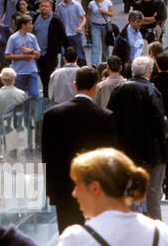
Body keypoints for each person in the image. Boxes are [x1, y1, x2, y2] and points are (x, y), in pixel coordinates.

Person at [41, 66, 119, 231]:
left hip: (63, 188)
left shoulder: (52, 115)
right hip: (96, 188)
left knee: (67, 233)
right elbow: (109, 157)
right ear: (95, 86)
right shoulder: (105, 117)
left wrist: (50, 189)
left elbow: (47, 156)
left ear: (75, 85)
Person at [105, 55, 168, 220]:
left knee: (132, 193)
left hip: (127, 152)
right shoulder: (152, 90)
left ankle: (133, 226)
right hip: (152, 152)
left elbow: (110, 118)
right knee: (154, 193)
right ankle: (156, 229)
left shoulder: (118, 90)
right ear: (149, 72)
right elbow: (160, 123)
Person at [4, 13, 41, 97]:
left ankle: (32, 110)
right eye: (30, 24)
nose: (32, 26)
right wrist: (23, 57)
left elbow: (38, 54)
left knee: (34, 95)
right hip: (18, 72)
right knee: (19, 96)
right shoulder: (13, 38)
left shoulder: (32, 37)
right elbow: (7, 55)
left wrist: (31, 51)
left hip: (32, 70)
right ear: (23, 25)